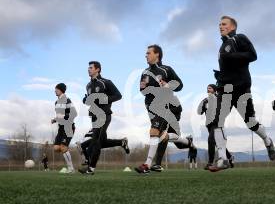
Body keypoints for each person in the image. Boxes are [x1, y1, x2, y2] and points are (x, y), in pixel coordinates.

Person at [208, 16, 275, 172]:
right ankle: (223, 160)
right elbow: (229, 67)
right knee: (217, 123)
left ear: (232, 27)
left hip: (241, 88)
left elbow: (253, 55)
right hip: (225, 89)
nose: (220, 26)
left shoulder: (240, 38)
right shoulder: (222, 46)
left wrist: (231, 57)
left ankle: (267, 140)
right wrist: (220, 77)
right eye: (219, 24)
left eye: (224, 24)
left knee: (251, 123)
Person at [135, 45, 196, 174]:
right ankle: (187, 141)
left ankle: (147, 164)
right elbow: (142, 91)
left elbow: (180, 85)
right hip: (151, 108)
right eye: (146, 53)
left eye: (148, 53)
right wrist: (144, 88)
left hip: (165, 106)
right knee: (163, 136)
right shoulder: (145, 72)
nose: (146, 55)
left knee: (154, 131)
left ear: (157, 55)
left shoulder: (166, 70)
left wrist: (168, 85)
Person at [79, 61, 130, 175]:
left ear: (97, 69)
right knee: (102, 141)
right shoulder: (88, 85)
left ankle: (91, 168)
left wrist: (102, 99)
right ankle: (121, 142)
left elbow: (118, 95)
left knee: (96, 141)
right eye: (88, 68)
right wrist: (85, 100)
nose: (89, 69)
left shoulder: (106, 82)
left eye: (91, 68)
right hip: (93, 116)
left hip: (104, 115)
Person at [197, 84, 235, 170]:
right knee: (218, 143)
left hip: (217, 123)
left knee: (211, 140)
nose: (208, 90)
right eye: (207, 89)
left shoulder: (219, 98)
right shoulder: (205, 100)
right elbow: (200, 112)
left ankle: (210, 162)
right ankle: (230, 158)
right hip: (209, 125)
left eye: (210, 88)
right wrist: (202, 104)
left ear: (214, 89)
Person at [51, 83, 77, 174]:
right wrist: (55, 119)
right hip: (61, 128)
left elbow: (74, 113)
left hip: (68, 127)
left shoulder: (67, 100)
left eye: (56, 89)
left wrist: (63, 116)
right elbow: (59, 116)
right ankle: (66, 151)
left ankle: (71, 169)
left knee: (63, 147)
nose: (55, 91)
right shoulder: (56, 102)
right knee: (56, 148)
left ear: (61, 90)